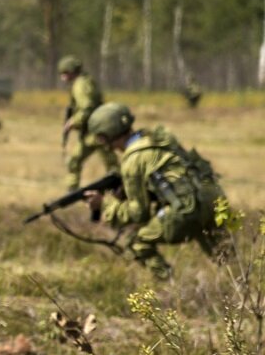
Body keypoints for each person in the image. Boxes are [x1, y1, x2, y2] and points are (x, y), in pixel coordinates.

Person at [84, 102, 228, 281]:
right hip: (212, 199)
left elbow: (139, 214)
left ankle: (172, 288)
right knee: (226, 257)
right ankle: (245, 291)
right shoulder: (157, 139)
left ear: (107, 134)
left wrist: (105, 204)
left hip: (187, 209)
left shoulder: (133, 160)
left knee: (136, 242)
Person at [58, 55, 118, 190]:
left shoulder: (80, 85)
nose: (62, 78)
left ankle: (122, 190)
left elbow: (87, 107)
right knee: (74, 161)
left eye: (64, 73)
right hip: (91, 132)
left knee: (112, 166)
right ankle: (71, 192)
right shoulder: (83, 82)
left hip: (97, 132)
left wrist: (74, 121)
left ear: (70, 72)